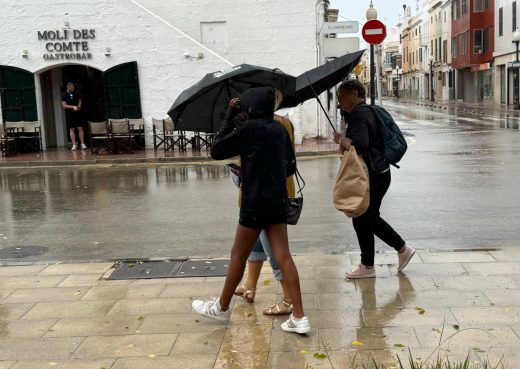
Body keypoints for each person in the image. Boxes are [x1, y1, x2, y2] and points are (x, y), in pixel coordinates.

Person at [192, 86, 311, 334]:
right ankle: (299, 317)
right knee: (284, 256)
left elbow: (217, 150)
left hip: (255, 203)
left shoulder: (248, 129)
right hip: (278, 200)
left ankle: (221, 307)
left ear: (251, 107)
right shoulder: (279, 129)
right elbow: (289, 168)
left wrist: (228, 118)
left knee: (238, 254)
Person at [333, 79, 414, 279]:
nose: (339, 100)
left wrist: (341, 139)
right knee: (367, 217)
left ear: (354, 94)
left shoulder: (359, 115)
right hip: (380, 171)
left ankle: (373, 263)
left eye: (341, 95)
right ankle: (391, 254)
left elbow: (361, 145)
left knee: (363, 217)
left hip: (372, 174)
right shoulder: (367, 111)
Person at [234, 89, 296, 316]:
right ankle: (249, 286)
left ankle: (289, 300)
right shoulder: (284, 124)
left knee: (276, 251)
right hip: (280, 190)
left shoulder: (255, 126)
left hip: (260, 196)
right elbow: (289, 161)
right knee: (258, 244)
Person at [61, 82, 87, 151]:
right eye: (71, 88)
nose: (73, 89)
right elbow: (64, 105)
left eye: (73, 88)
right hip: (70, 114)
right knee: (72, 129)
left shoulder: (76, 93)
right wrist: (72, 107)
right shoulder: (64, 94)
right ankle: (74, 145)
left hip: (77, 113)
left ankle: (82, 143)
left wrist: (79, 106)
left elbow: (79, 100)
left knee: (80, 128)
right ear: (68, 87)